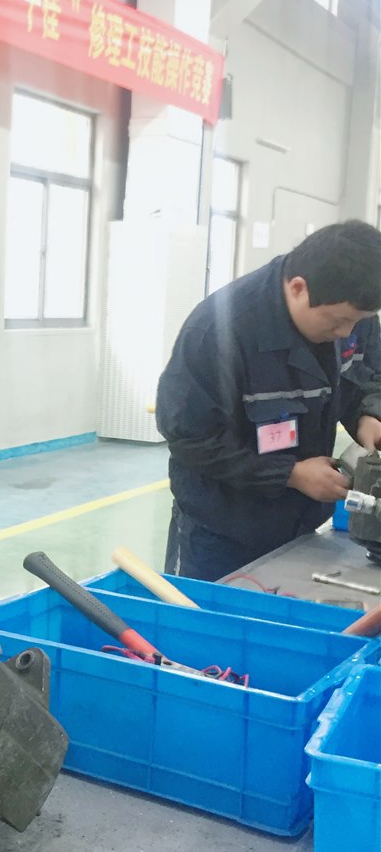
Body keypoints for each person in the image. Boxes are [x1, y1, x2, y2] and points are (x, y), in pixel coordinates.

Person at [156, 220, 381, 582]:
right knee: (209, 614)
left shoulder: (352, 310)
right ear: (298, 288)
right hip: (220, 530)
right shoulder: (218, 331)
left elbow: (365, 378)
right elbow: (191, 440)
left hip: (302, 525)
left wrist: (367, 415)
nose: (346, 332)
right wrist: (291, 474)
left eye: (359, 321)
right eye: (337, 320)